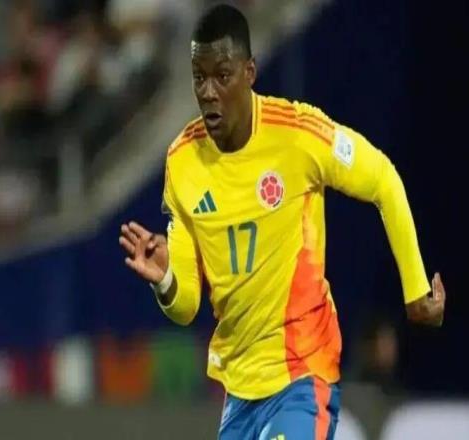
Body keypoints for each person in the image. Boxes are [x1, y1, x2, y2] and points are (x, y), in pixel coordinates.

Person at [119, 4, 446, 439]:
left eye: (222, 75)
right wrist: (165, 281)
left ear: (250, 72)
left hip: (303, 375)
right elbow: (186, 307)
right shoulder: (182, 162)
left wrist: (416, 288)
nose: (209, 92)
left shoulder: (297, 135)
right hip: (240, 393)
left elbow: (383, 179)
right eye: (199, 77)